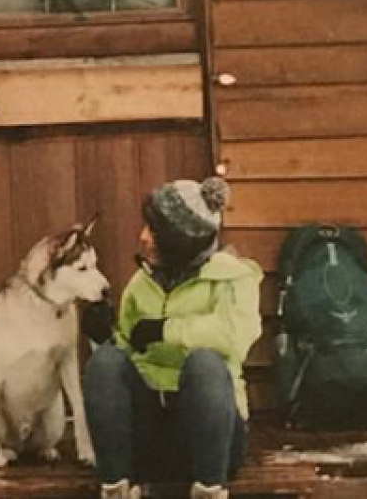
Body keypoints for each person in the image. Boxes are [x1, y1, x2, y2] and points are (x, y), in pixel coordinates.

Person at [82, 176, 263, 499]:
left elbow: (235, 336)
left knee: (204, 364)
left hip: (212, 440)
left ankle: (209, 492)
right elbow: (129, 347)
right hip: (152, 434)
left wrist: (166, 329)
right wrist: (102, 338)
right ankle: (116, 488)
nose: (143, 238)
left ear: (180, 241)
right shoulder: (142, 282)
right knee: (106, 362)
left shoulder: (233, 279)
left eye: (155, 232)